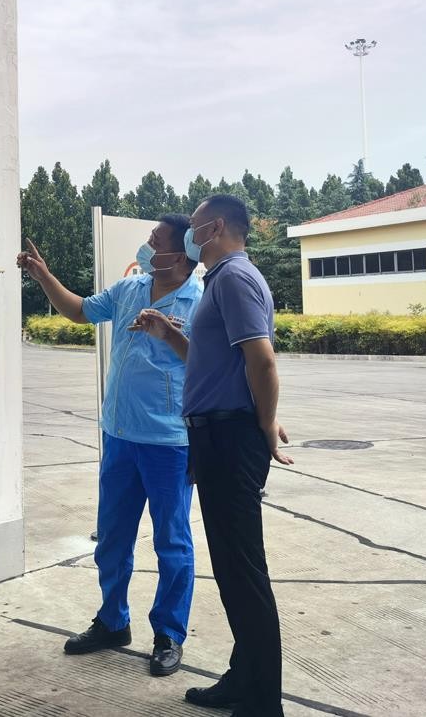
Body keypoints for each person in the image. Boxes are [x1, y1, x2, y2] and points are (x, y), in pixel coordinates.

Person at [17, 214, 202, 677]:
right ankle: (113, 621)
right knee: (113, 538)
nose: (147, 247)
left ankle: (169, 634)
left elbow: (209, 364)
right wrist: (43, 276)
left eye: (156, 242)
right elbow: (79, 311)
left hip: (169, 442)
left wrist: (170, 333)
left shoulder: (200, 300)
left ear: (181, 256)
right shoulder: (129, 288)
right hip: (119, 434)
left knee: (172, 542)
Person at [135, 194, 291, 717]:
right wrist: (168, 334)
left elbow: (262, 361)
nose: (188, 234)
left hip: (230, 438)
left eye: (195, 225)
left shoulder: (233, 278)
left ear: (215, 227)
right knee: (231, 568)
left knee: (243, 571)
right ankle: (244, 678)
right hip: (216, 435)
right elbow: (212, 361)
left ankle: (263, 702)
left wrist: (264, 423)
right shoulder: (222, 280)